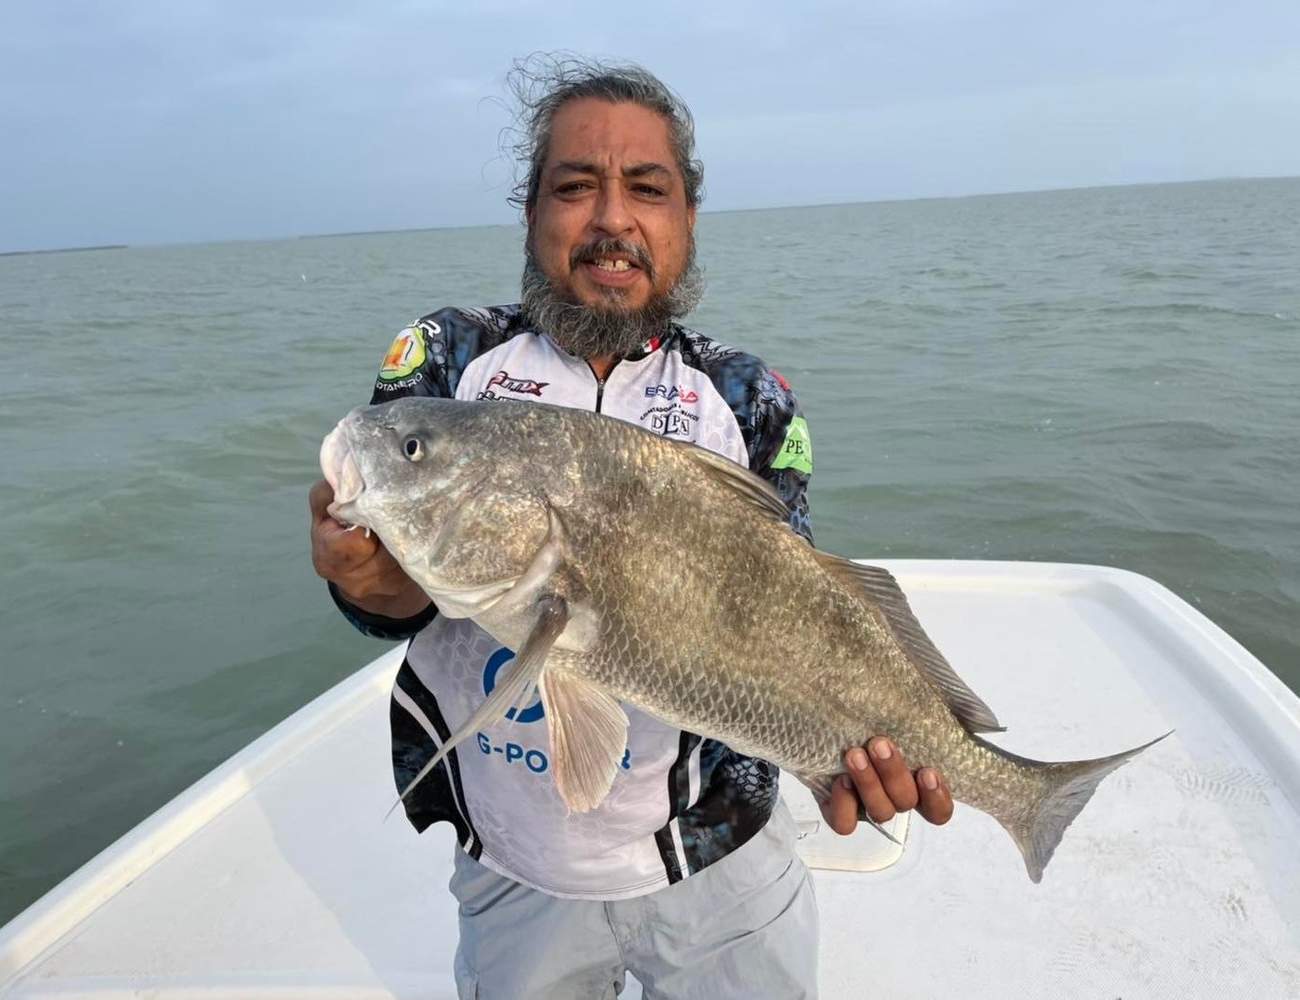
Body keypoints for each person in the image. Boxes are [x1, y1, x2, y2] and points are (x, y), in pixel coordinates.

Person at [309, 56, 953, 999]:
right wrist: (360, 580)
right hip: (514, 867)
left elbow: (796, 606)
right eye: (575, 186)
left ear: (686, 219)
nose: (612, 218)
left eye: (646, 189)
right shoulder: (450, 361)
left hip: (724, 858)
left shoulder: (747, 395)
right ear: (530, 212)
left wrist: (843, 759)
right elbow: (400, 589)